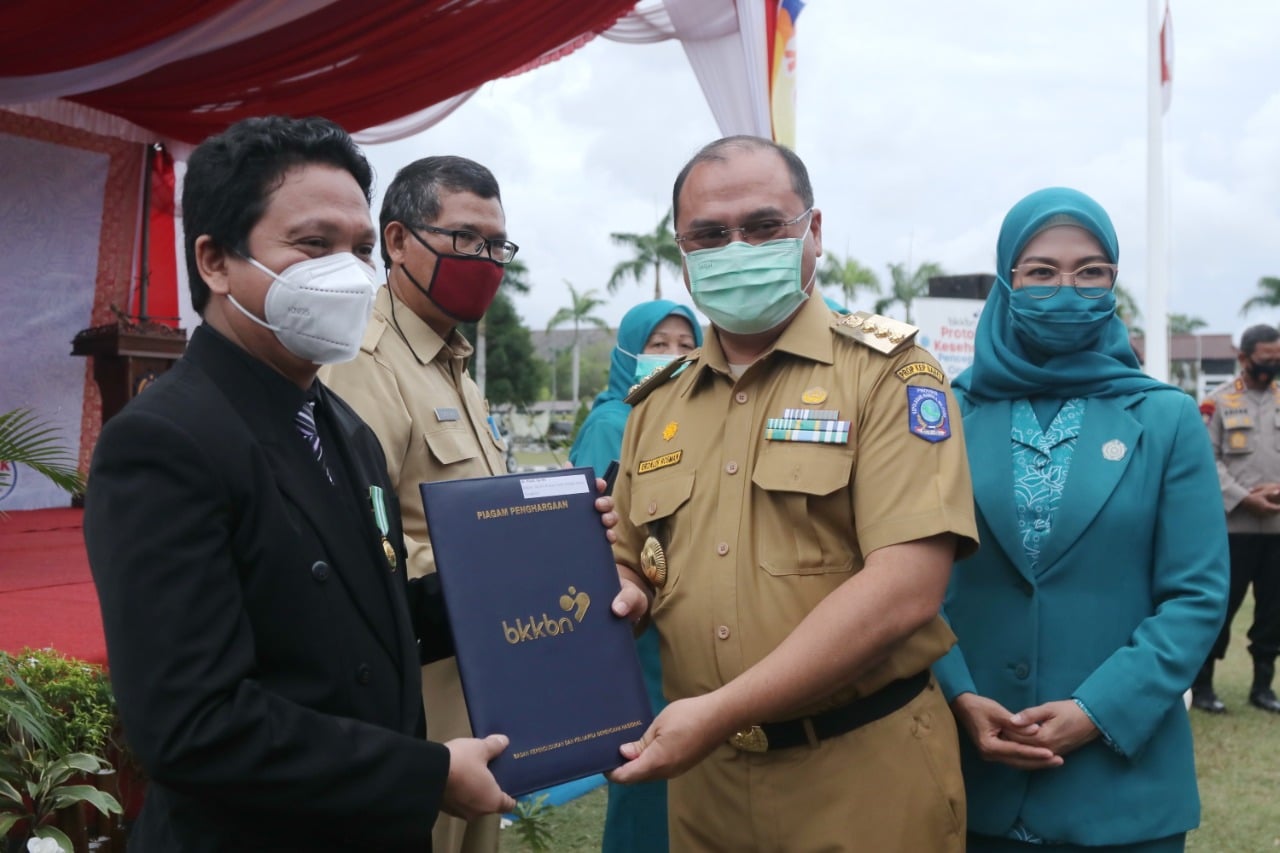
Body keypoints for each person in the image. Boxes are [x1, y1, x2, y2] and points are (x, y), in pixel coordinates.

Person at [83, 116, 519, 852]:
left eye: (357, 249)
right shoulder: (163, 441)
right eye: (314, 245)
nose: (347, 272)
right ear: (216, 261)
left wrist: (521, 570)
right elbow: (192, 724)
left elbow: (365, 616)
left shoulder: (339, 424)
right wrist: (423, 771)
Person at [607, 135, 979, 852]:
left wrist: (717, 711)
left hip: (861, 776)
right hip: (707, 787)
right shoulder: (658, 402)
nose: (737, 246)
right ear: (683, 253)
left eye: (764, 226)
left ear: (813, 232)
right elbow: (635, 559)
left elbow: (906, 587)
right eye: (710, 234)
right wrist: (624, 594)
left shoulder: (891, 375)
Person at [933, 186, 1230, 852]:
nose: (1067, 289)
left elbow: (1196, 594)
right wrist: (958, 696)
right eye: (1041, 271)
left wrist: (1098, 711)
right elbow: (910, 580)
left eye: (1091, 271)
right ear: (1007, 280)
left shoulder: (1165, 417)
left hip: (1122, 785)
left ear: (1113, 283)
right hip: (972, 773)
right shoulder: (945, 412)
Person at [319, 155, 519, 853]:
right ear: (398, 242)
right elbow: (352, 542)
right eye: (466, 239)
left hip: (476, 675)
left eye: (498, 245)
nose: (486, 260)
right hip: (412, 691)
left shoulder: (453, 363)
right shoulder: (363, 358)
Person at [567, 299, 701, 853]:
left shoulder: (689, 418)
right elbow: (592, 540)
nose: (672, 356)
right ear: (628, 353)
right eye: (657, 345)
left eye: (685, 346)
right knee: (647, 792)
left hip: (686, 635)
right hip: (638, 630)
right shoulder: (612, 423)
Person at [1191, 323, 1280, 714]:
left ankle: (1263, 687)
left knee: (1274, 612)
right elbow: (1206, 462)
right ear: (1244, 358)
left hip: (1277, 529)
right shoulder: (1218, 403)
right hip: (1234, 529)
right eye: (1266, 359)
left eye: (1278, 359)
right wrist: (1246, 497)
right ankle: (1204, 686)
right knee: (1220, 608)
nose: (1272, 366)